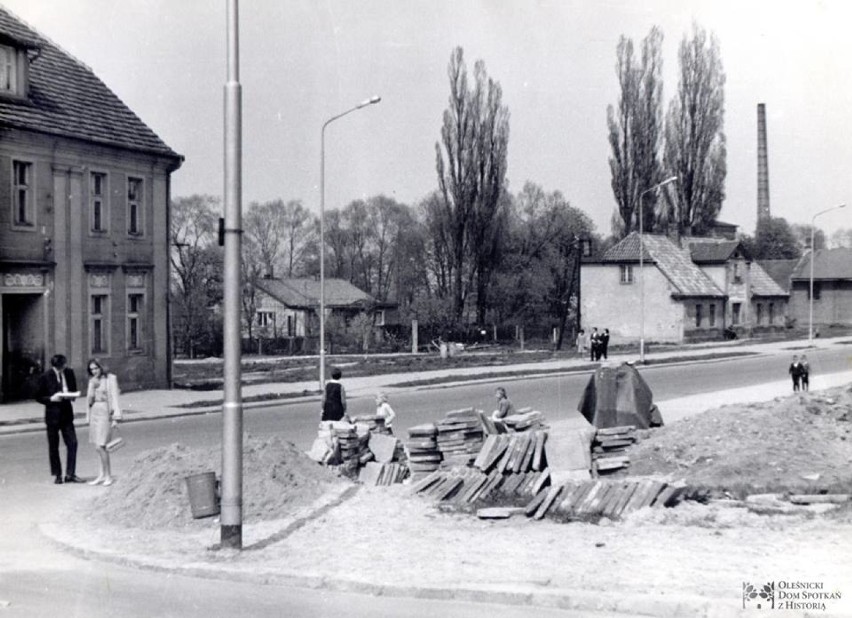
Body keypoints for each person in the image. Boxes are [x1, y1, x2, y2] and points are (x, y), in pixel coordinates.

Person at [35, 354, 81, 484]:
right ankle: (58, 475)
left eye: (63, 366)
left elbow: (73, 389)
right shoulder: (45, 376)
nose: (62, 369)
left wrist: (72, 396)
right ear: (54, 366)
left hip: (66, 414)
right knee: (53, 446)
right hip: (52, 416)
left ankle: (70, 474)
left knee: (73, 443)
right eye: (59, 368)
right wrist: (50, 399)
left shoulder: (69, 373)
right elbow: (38, 396)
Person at [85, 359, 122, 486]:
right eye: (92, 369)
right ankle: (101, 475)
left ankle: (108, 476)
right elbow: (89, 400)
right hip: (95, 411)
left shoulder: (110, 379)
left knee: (101, 446)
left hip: (106, 412)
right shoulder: (93, 381)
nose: (94, 371)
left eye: (96, 368)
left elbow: (115, 397)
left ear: (102, 367)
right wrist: (91, 386)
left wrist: (116, 418)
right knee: (97, 446)